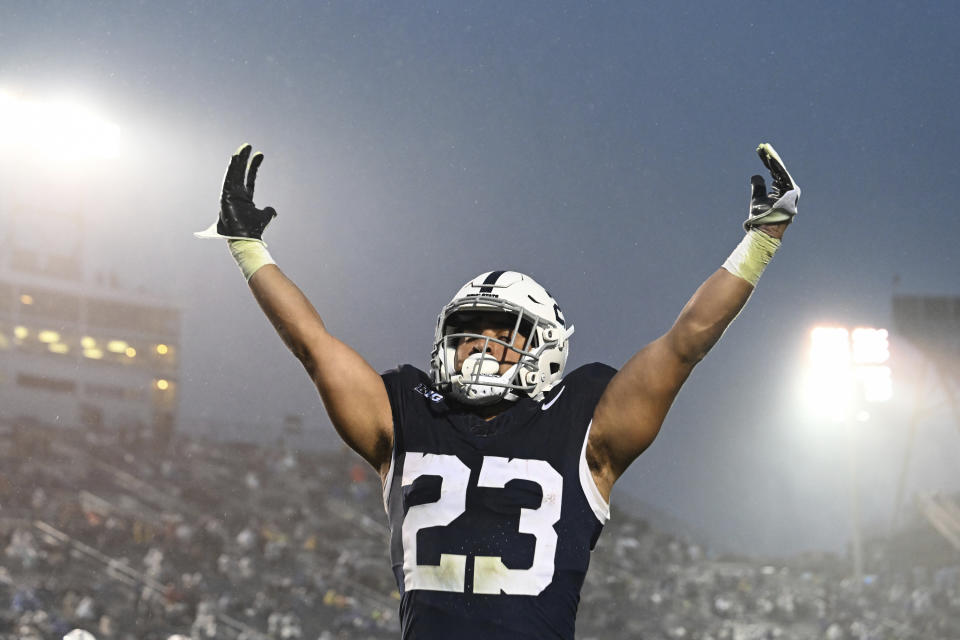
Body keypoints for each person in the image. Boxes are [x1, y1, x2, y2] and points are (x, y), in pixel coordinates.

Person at [195, 142, 800, 639]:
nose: (481, 345)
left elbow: (684, 343)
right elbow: (313, 346)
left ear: (546, 348)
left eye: (501, 333)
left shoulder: (586, 423)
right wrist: (247, 245)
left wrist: (762, 239)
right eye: (468, 333)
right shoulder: (406, 414)